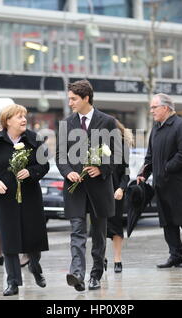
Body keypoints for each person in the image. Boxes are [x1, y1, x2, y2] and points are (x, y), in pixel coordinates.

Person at [56, 79, 119, 291]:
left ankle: (96, 274)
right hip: (75, 189)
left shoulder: (108, 122)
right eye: (69, 99)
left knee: (99, 235)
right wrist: (69, 173)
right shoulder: (66, 124)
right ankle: (77, 275)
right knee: (77, 232)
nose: (70, 103)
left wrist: (101, 168)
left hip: (100, 188)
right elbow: (60, 156)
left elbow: (118, 154)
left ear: (86, 98)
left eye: (73, 99)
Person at [0, 104, 49, 296]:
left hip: (30, 197)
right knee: (9, 241)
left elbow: (44, 166)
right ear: (7, 120)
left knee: (32, 237)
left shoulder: (34, 139)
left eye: (24, 116)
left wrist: (31, 171)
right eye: (19, 116)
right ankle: (13, 282)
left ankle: (35, 267)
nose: (24, 120)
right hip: (5, 199)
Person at [137, 93, 182, 268]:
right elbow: (150, 156)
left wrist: (165, 168)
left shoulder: (181, 126)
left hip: (178, 185)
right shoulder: (156, 128)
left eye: (154, 107)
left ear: (165, 108)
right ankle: (175, 255)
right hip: (161, 184)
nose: (151, 111)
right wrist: (143, 173)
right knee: (168, 223)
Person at [106, 119, 132, 273]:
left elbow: (126, 173)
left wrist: (122, 188)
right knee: (100, 228)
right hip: (100, 193)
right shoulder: (97, 147)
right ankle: (100, 259)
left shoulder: (122, 148)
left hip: (117, 193)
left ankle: (117, 259)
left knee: (115, 227)